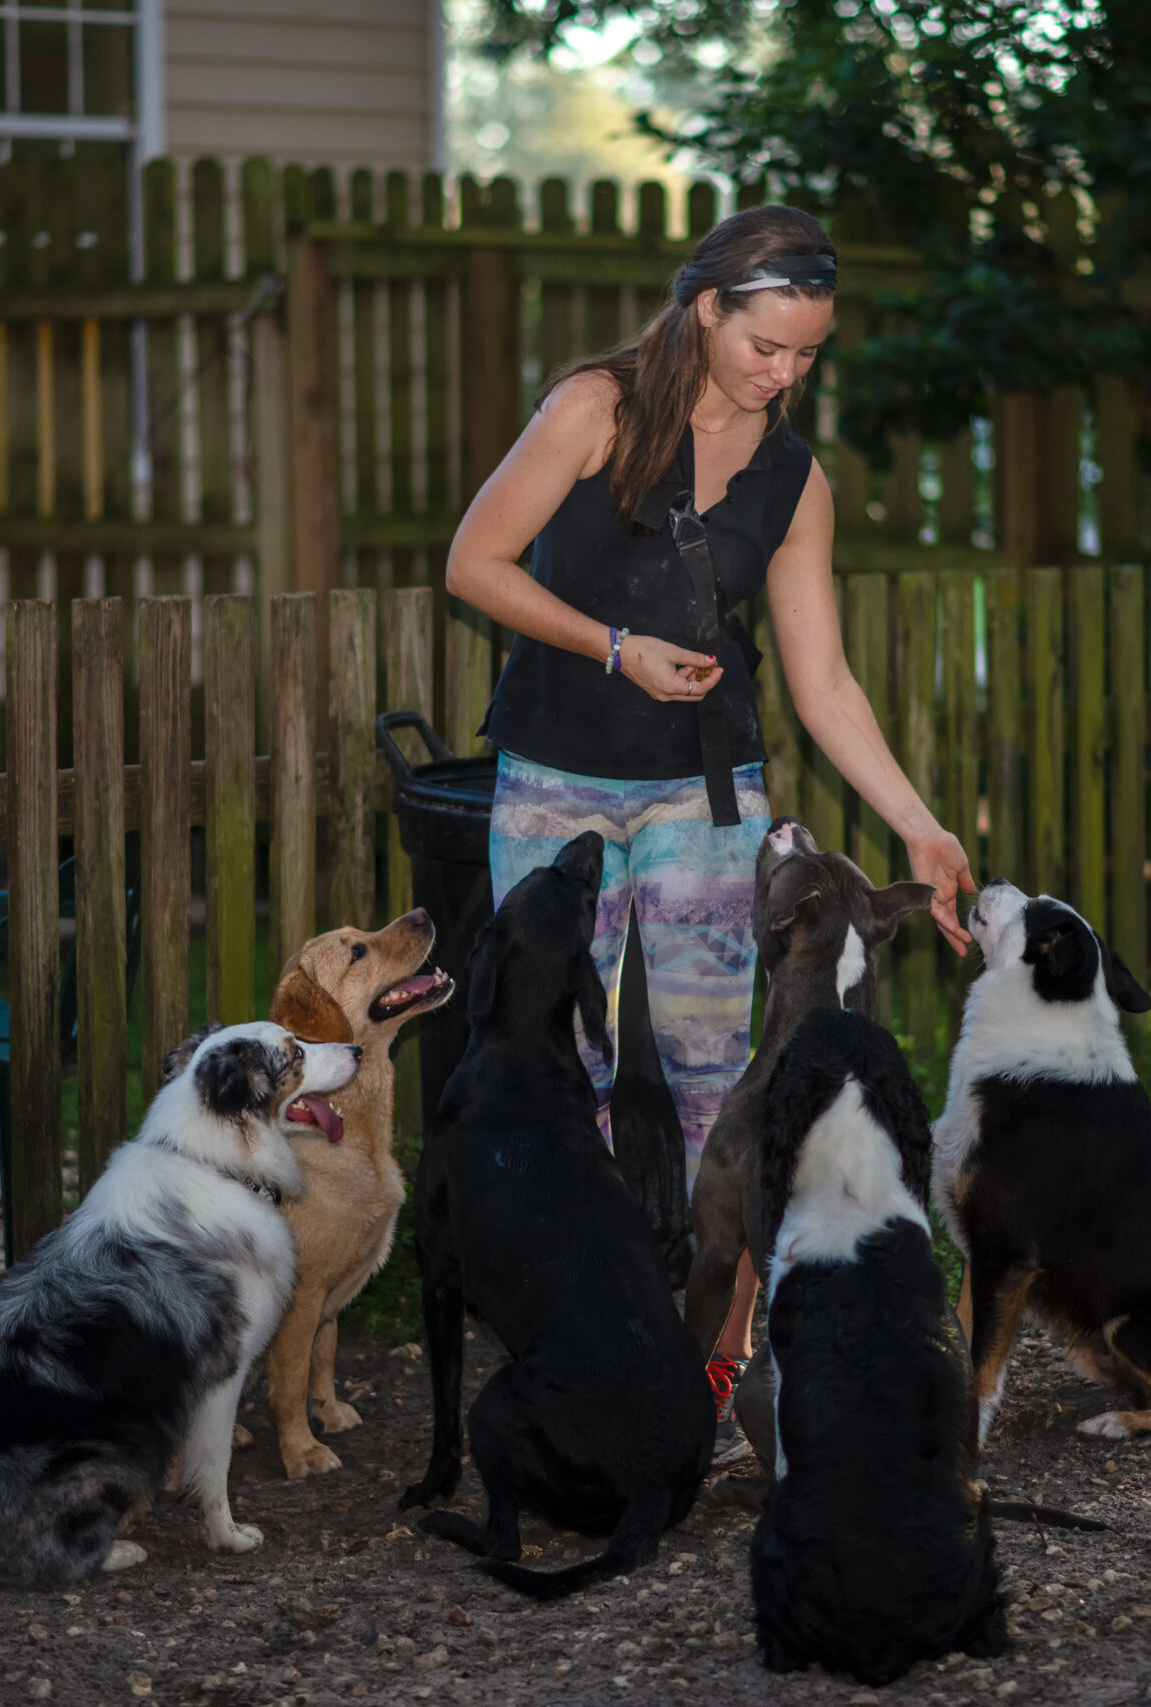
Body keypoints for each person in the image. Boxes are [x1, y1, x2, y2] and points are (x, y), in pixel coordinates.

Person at [443, 203, 977, 1466]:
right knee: (550, 1078)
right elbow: (474, 560)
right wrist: (612, 646)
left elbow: (822, 681)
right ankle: (568, 1354)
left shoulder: (794, 478)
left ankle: (714, 1371)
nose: (783, 374)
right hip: (554, 785)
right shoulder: (595, 409)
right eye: (767, 346)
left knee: (710, 1099)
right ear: (707, 311)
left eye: (806, 354)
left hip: (705, 796)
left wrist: (918, 824)